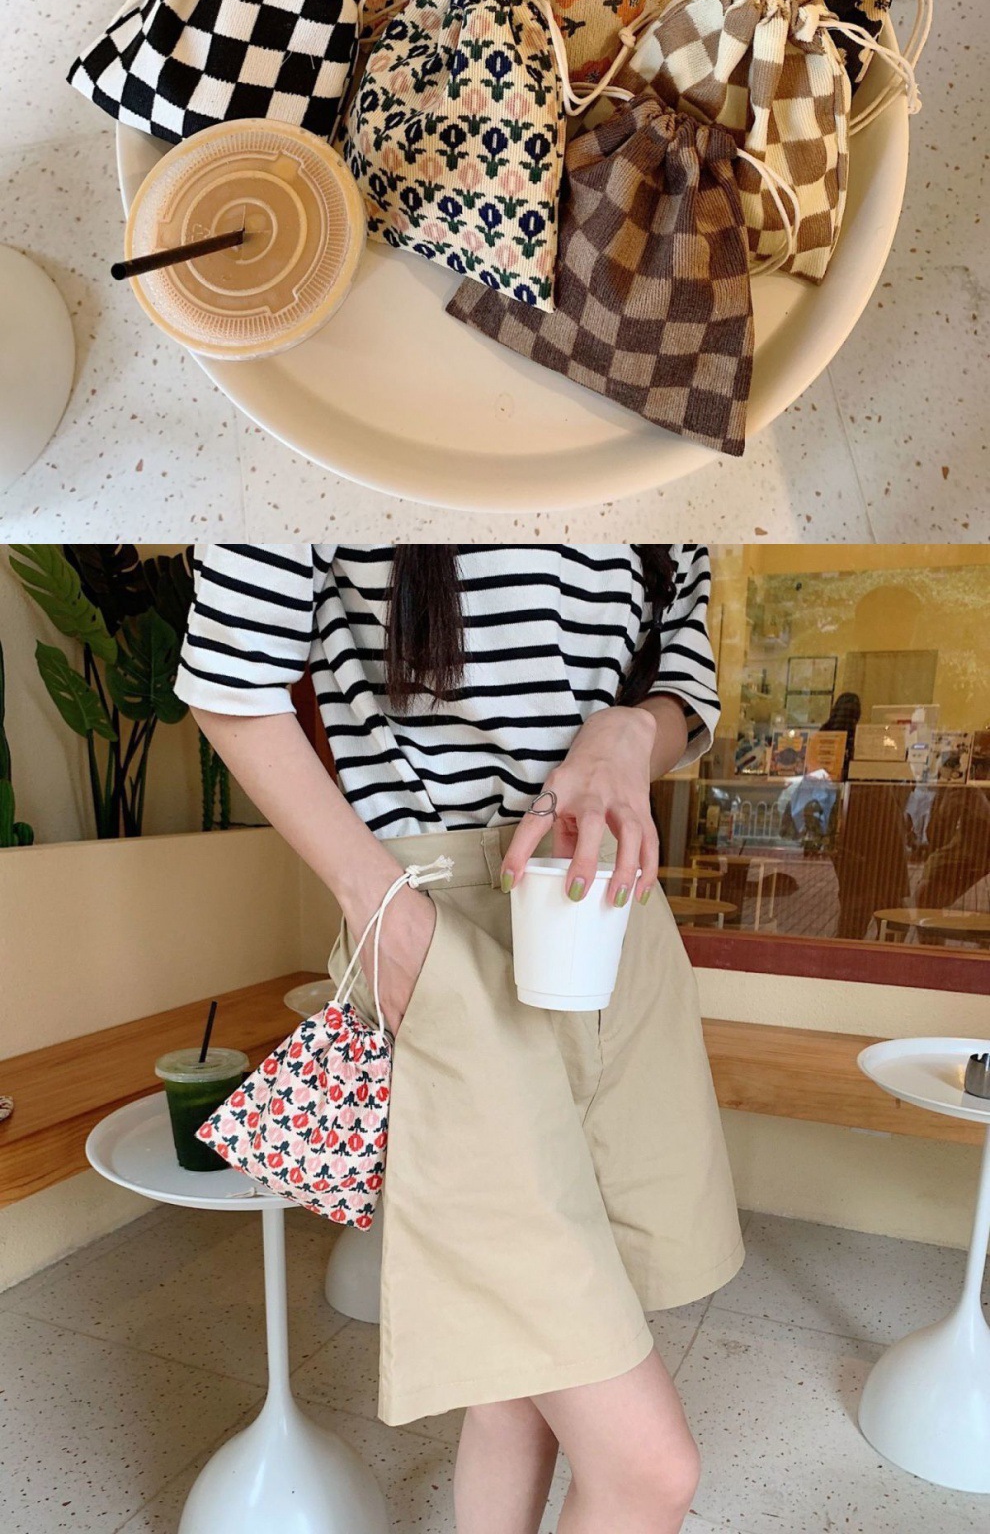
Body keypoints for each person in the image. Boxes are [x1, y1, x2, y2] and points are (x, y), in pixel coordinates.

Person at [177, 541, 743, 1534]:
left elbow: (684, 674)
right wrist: (378, 904)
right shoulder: (332, 436)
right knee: (650, 1471)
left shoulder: (670, 446)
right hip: (440, 920)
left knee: (516, 1381)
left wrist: (624, 736)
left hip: (610, 919)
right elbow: (232, 675)